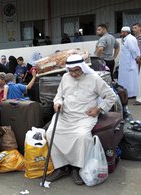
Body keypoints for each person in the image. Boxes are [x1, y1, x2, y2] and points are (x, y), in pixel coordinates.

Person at [45, 54, 116, 185]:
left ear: (83, 67)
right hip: (65, 115)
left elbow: (111, 96)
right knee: (50, 134)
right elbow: (59, 95)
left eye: (76, 70)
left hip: (85, 117)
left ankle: (76, 168)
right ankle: (61, 167)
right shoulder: (65, 77)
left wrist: (98, 108)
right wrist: (57, 103)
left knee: (82, 136)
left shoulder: (94, 79)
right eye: (70, 70)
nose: (73, 74)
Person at [118, 26, 140, 98]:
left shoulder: (129, 39)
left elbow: (133, 50)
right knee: (127, 80)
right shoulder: (127, 39)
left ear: (125, 32)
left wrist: (137, 58)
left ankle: (131, 94)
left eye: (122, 32)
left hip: (129, 63)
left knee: (130, 80)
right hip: (126, 63)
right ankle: (128, 94)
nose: (121, 33)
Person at [133, 23, 141, 105]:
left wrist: (139, 57)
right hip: (136, 60)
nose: (134, 29)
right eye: (133, 28)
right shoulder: (134, 38)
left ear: (140, 28)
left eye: (135, 28)